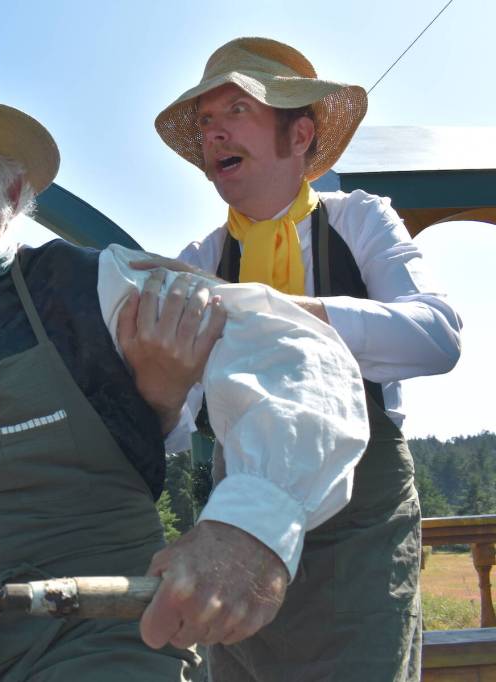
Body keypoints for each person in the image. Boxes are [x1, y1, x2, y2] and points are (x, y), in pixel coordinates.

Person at [0, 78, 370, 682]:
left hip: (108, 635)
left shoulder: (95, 283)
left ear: (11, 192)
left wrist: (250, 527)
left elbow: (294, 351)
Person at [142, 37, 463, 681]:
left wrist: (288, 314)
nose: (213, 133)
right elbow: (174, 430)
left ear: (300, 133)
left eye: (237, 110)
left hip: (362, 530)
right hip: (237, 520)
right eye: (205, 121)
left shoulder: (361, 220)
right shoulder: (199, 262)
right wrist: (161, 385)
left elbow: (436, 336)